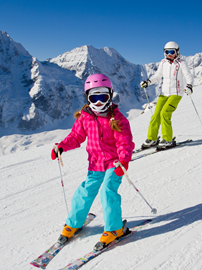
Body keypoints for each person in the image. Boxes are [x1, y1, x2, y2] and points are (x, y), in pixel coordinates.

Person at [51, 73, 135, 251]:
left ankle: (115, 229)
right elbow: (76, 136)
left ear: (110, 96)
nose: (98, 102)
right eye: (93, 97)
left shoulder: (118, 119)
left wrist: (124, 160)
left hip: (115, 164)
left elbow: (124, 141)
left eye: (102, 97)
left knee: (107, 191)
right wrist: (62, 147)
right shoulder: (85, 117)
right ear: (87, 98)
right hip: (95, 163)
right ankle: (73, 223)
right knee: (85, 191)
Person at [140, 41, 194, 150]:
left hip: (176, 94)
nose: (170, 54)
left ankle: (168, 139)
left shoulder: (181, 63)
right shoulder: (163, 63)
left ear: (177, 52)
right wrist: (148, 81)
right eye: (167, 52)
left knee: (165, 113)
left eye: (172, 52)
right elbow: (158, 76)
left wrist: (189, 86)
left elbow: (188, 75)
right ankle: (152, 138)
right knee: (156, 115)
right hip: (164, 93)